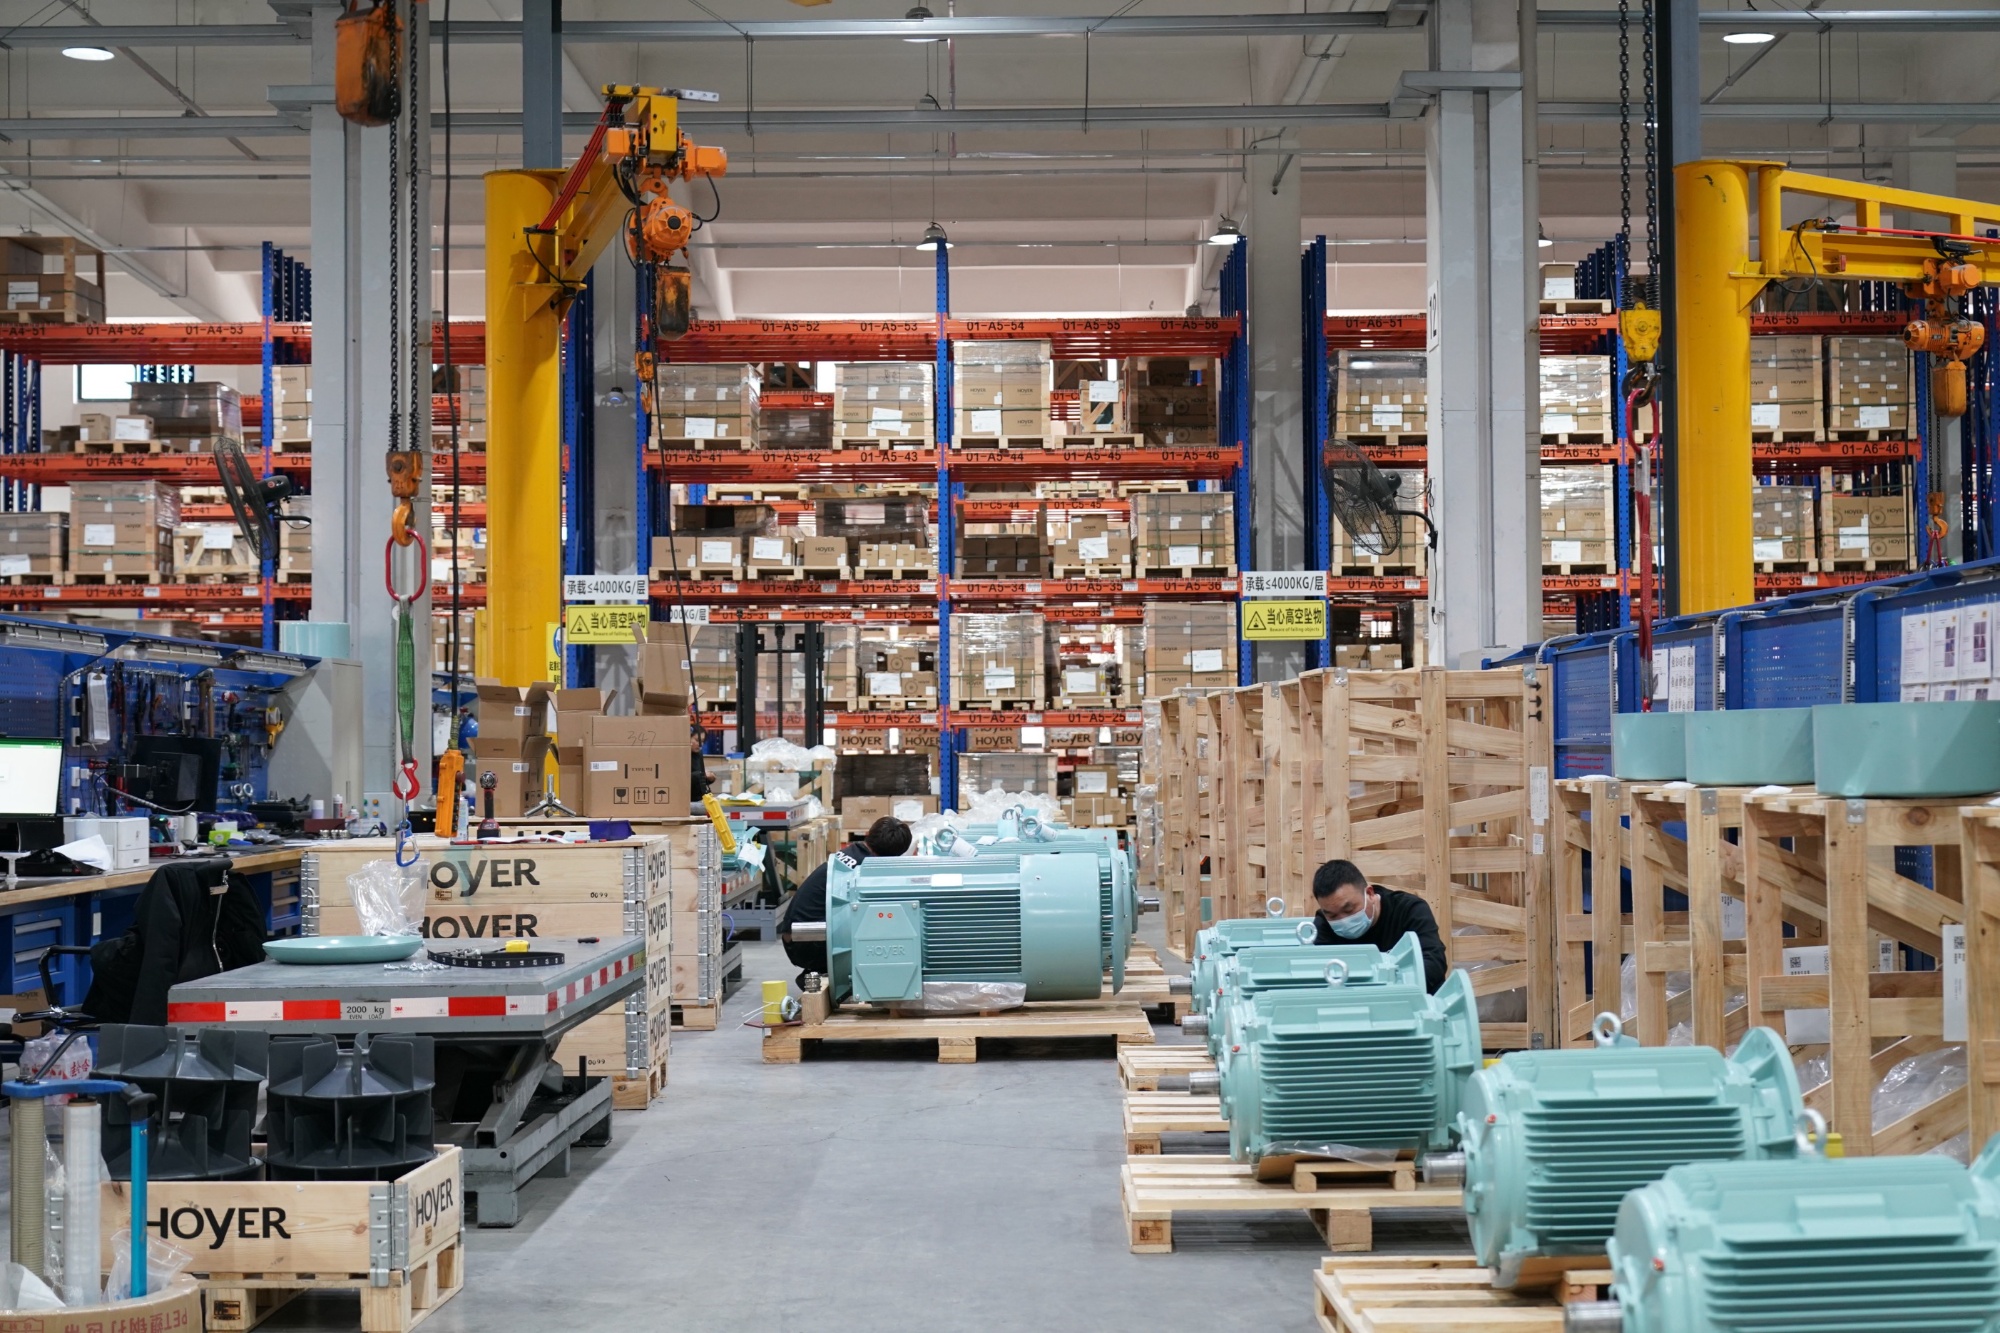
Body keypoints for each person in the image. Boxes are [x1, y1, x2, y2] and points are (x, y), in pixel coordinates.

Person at [778, 815, 913, 980]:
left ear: (869, 834)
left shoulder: (853, 853)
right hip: (807, 942)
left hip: (795, 936)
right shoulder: (864, 870)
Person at [1309, 858, 1449, 993]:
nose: (1343, 920)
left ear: (1369, 894)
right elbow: (1316, 975)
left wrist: (1386, 987)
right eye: (1333, 916)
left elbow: (1434, 964)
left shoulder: (1409, 910)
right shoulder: (1323, 924)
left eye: (1349, 909)